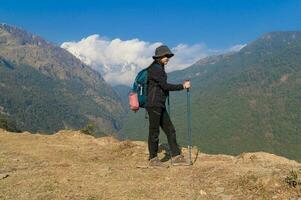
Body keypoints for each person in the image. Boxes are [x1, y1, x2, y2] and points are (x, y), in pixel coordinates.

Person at [146, 45, 191, 167]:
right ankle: (153, 159)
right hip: (154, 105)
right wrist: (182, 86)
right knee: (154, 131)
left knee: (170, 129)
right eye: (166, 56)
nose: (168, 58)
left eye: (168, 56)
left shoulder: (158, 68)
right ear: (159, 57)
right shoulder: (156, 69)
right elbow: (165, 86)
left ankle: (176, 156)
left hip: (158, 104)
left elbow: (161, 86)